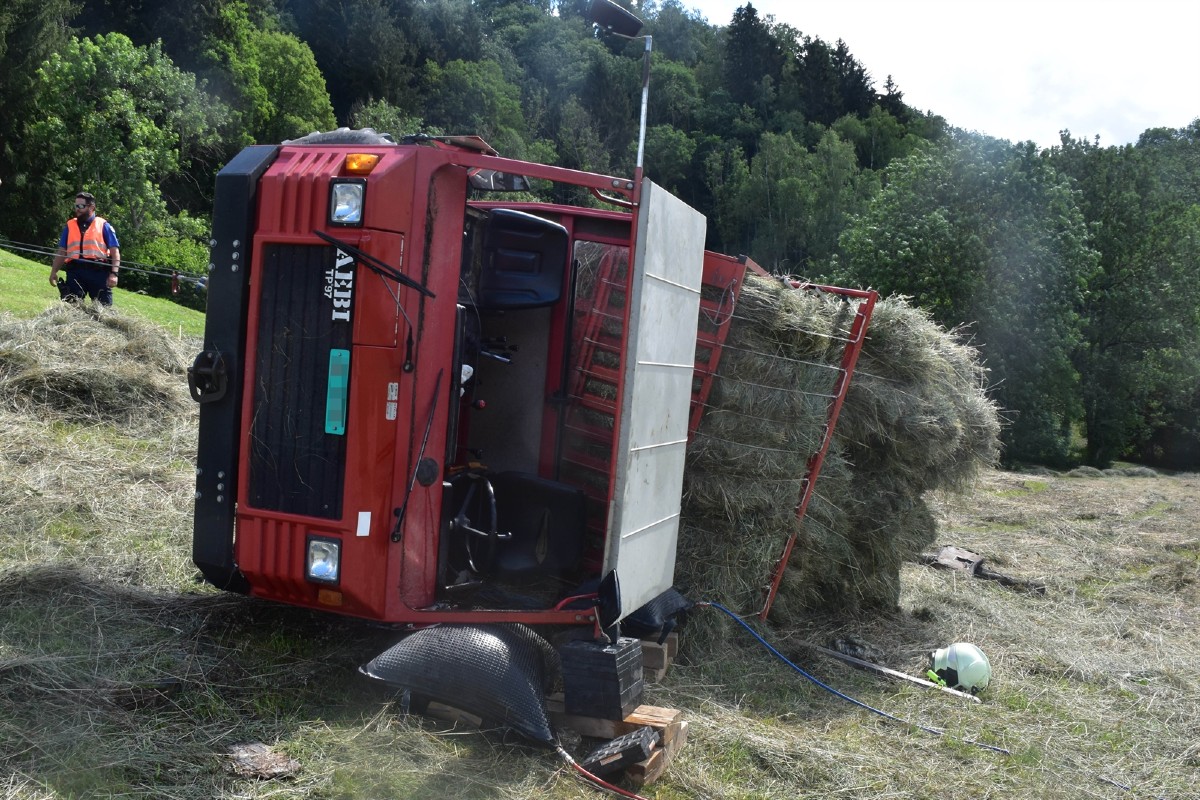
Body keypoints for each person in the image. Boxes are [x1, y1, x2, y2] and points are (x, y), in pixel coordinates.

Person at [49, 191, 121, 305]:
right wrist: (54, 271)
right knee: (71, 307)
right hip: (75, 272)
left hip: (98, 273)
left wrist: (114, 274)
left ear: (92, 207)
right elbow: (62, 252)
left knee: (104, 309)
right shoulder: (70, 226)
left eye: (81, 206)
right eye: (76, 206)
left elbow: (115, 252)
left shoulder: (103, 225)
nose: (77, 209)